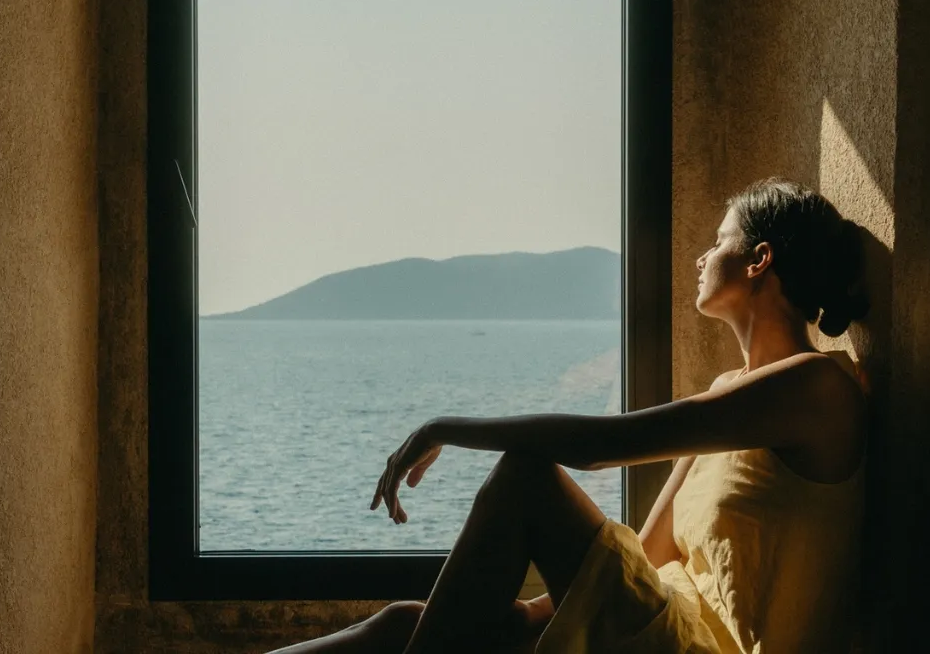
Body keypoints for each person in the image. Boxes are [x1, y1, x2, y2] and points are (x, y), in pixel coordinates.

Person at [273, 177, 872, 654]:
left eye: (719, 241)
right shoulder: (730, 390)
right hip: (663, 629)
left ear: (759, 259)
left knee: (526, 477)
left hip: (701, 650)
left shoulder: (817, 387)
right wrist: (527, 619)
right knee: (404, 626)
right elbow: (650, 556)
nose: (702, 254)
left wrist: (442, 429)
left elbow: (599, 445)